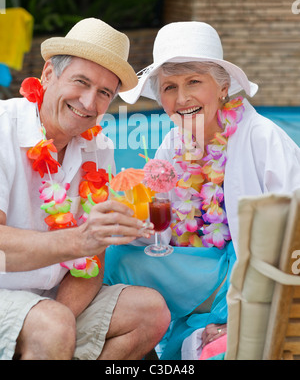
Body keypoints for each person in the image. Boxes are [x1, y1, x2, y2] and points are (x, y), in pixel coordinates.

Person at [104, 21, 300, 360]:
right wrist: (128, 224)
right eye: (169, 87)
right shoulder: (172, 143)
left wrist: (247, 317)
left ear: (223, 87)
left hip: (254, 278)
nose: (182, 99)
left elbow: (294, 234)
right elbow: (159, 226)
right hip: (200, 272)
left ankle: (230, 328)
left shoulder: (262, 138)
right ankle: (120, 340)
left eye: (194, 82)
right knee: (110, 258)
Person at [0, 18, 171, 360]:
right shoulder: (4, 128)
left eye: (105, 93)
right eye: (81, 82)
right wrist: (78, 240)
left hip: (53, 300)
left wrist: (62, 315)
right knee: (51, 325)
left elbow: (92, 260)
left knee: (151, 312)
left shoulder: (100, 149)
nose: (89, 103)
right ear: (49, 75)